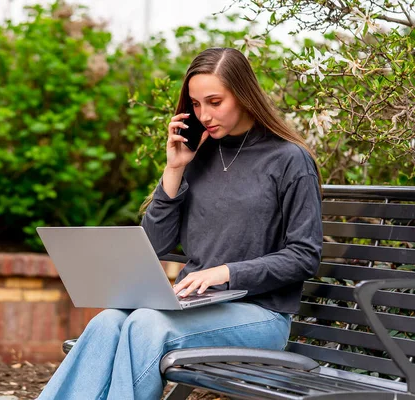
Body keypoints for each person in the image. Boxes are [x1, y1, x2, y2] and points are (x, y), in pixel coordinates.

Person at [37, 47, 323, 400]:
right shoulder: (198, 156)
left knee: (145, 325)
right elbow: (154, 244)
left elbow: (304, 255)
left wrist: (225, 272)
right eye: (196, 104)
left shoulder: (288, 160)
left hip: (260, 315)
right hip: (193, 308)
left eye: (215, 101)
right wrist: (174, 168)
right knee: (107, 322)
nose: (204, 115)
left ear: (244, 94)